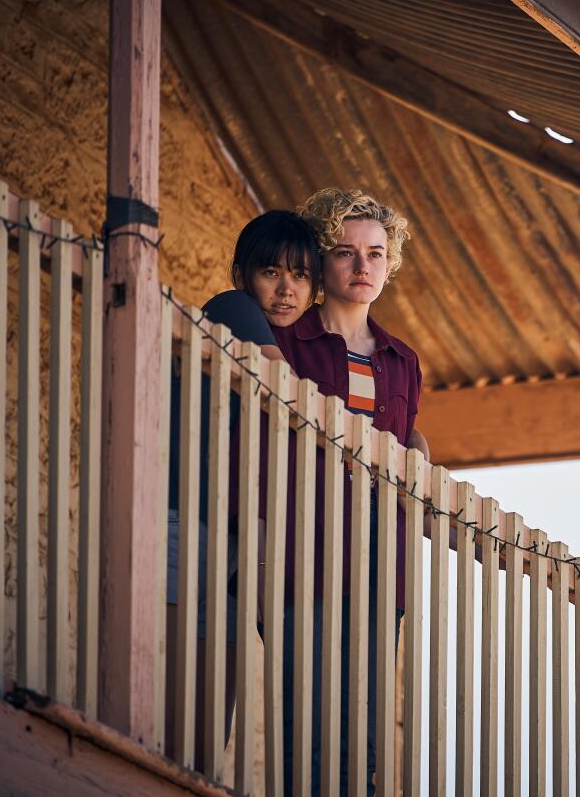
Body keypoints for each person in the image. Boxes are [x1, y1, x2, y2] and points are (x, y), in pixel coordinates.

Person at [269, 187, 424, 795]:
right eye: (345, 252)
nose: (363, 267)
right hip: (303, 547)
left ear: (390, 264)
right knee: (305, 718)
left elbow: (405, 442)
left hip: (379, 562)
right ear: (321, 260)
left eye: (377, 255)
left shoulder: (403, 358)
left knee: (361, 734)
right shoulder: (286, 339)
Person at [163, 210, 321, 766]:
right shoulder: (233, 309)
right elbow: (293, 394)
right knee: (171, 682)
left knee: (213, 705)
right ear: (243, 273)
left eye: (300, 277)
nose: (286, 289)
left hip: (231, 538)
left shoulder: (286, 340)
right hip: (183, 519)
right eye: (272, 272)